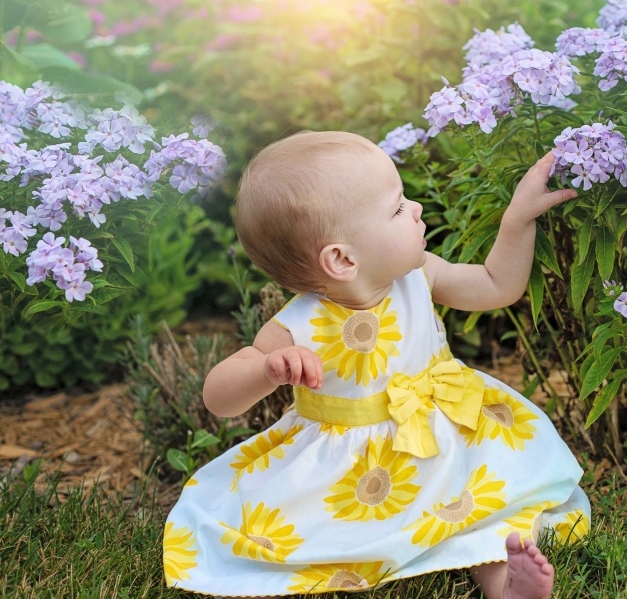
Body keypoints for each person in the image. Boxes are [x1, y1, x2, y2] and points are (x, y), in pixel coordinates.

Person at [162, 130, 590, 598]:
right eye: (397, 208)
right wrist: (266, 369)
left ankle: (502, 581)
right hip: (356, 471)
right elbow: (217, 399)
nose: (417, 209)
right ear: (342, 259)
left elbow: (495, 284)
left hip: (449, 443)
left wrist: (517, 219)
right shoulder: (300, 324)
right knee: (336, 539)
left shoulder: (418, 273)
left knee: (485, 513)